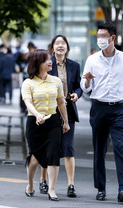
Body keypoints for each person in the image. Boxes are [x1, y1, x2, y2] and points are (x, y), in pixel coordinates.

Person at [80, 22, 123, 203]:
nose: (100, 40)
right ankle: (101, 188)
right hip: (99, 108)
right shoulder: (92, 60)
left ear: (113, 38)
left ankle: (122, 188)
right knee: (99, 149)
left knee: (120, 147)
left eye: (103, 36)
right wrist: (87, 81)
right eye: (98, 36)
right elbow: (85, 88)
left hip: (120, 108)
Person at [21, 49, 70, 202]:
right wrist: (37, 114)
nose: (50, 62)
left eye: (50, 59)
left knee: (53, 154)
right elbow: (28, 102)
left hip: (53, 122)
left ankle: (52, 189)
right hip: (34, 123)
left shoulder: (55, 81)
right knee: (35, 157)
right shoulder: (28, 82)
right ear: (37, 64)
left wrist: (66, 121)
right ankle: (30, 184)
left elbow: (61, 102)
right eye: (45, 60)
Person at [38, 35, 82, 197]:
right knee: (50, 148)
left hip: (68, 111)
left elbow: (78, 86)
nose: (60, 46)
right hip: (49, 111)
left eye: (63, 43)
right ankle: (43, 180)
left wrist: (77, 95)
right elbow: (39, 84)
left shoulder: (75, 66)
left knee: (68, 148)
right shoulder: (46, 64)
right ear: (52, 48)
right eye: (57, 43)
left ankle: (71, 184)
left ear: (67, 47)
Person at [15, 46, 30, 113]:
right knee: (22, 94)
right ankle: (22, 107)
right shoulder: (18, 60)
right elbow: (16, 69)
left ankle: (28, 107)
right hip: (21, 78)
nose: (25, 56)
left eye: (26, 54)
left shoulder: (30, 59)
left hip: (29, 78)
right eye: (24, 54)